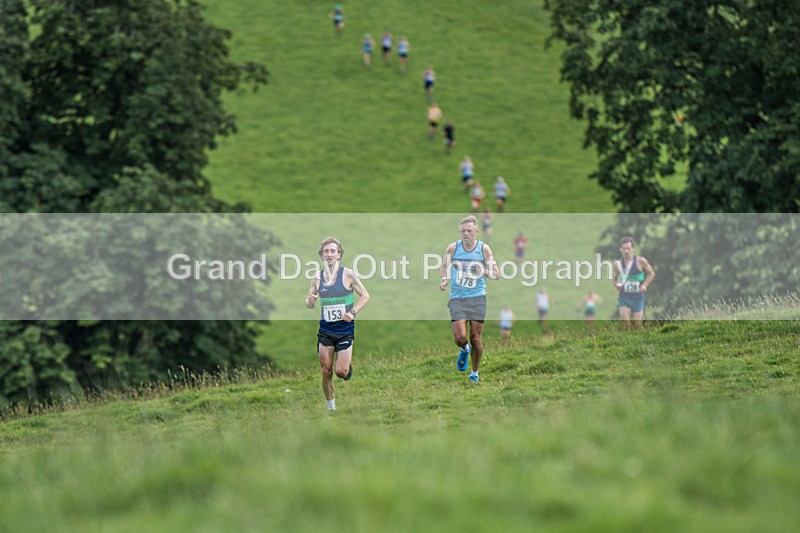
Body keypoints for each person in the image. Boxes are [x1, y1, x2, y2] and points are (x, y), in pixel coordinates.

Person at [305, 237, 370, 411]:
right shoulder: (317, 278)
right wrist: (310, 301)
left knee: (340, 371)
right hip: (325, 330)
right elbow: (310, 302)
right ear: (321, 255)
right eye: (326, 251)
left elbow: (365, 295)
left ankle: (347, 369)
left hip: (344, 329)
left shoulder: (348, 274)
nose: (329, 254)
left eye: (333, 251)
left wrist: (353, 312)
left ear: (339, 255)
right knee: (326, 370)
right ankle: (331, 409)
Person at [439, 216, 499, 383]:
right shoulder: (453, 248)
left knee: (475, 337)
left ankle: (474, 372)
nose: (466, 234)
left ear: (476, 232)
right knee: (460, 338)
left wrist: (483, 271)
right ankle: (465, 349)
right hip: (457, 298)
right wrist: (444, 279)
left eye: (469, 231)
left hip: (477, 298)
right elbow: (444, 267)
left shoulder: (484, 250)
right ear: (460, 232)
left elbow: (497, 274)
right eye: (463, 231)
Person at [612, 236, 655, 328]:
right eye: (624, 249)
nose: (626, 251)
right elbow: (614, 279)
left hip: (638, 297)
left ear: (633, 249)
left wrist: (644, 285)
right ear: (620, 249)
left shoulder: (640, 261)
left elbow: (651, 273)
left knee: (636, 325)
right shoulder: (618, 264)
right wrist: (618, 284)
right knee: (625, 323)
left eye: (629, 248)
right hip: (624, 296)